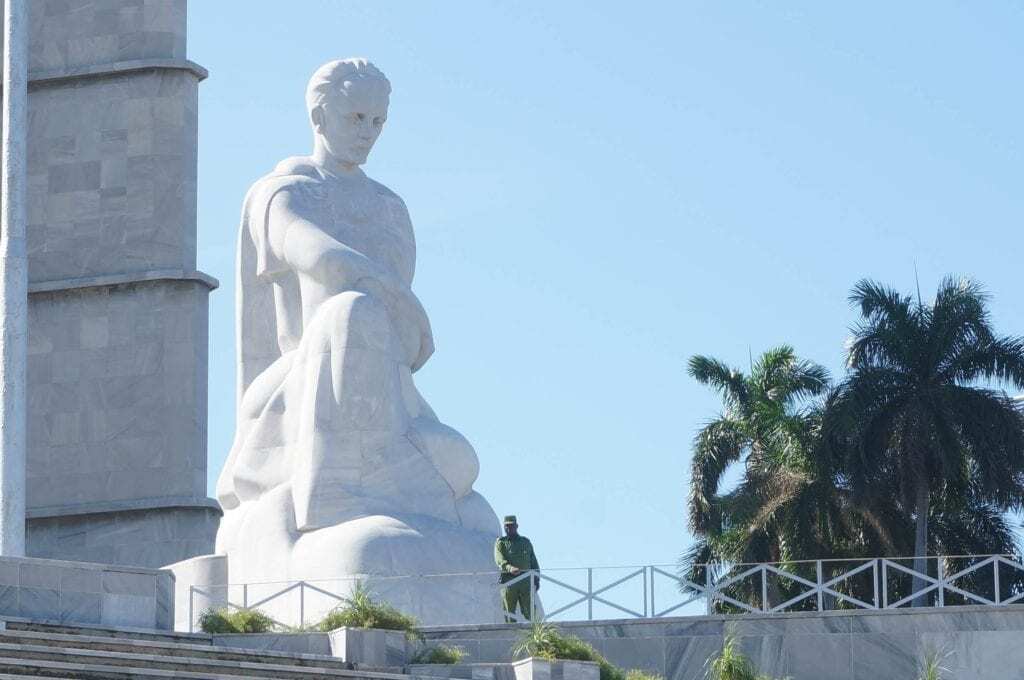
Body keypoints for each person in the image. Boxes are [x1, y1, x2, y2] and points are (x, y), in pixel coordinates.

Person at [494, 515, 540, 621]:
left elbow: (533, 561)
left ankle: (536, 629)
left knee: (530, 610)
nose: (508, 528)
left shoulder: (525, 542)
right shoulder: (501, 543)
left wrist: (537, 578)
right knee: (509, 611)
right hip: (509, 581)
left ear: (516, 526)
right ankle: (511, 630)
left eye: (511, 526)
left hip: (525, 581)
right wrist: (509, 568)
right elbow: (499, 559)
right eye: (506, 526)